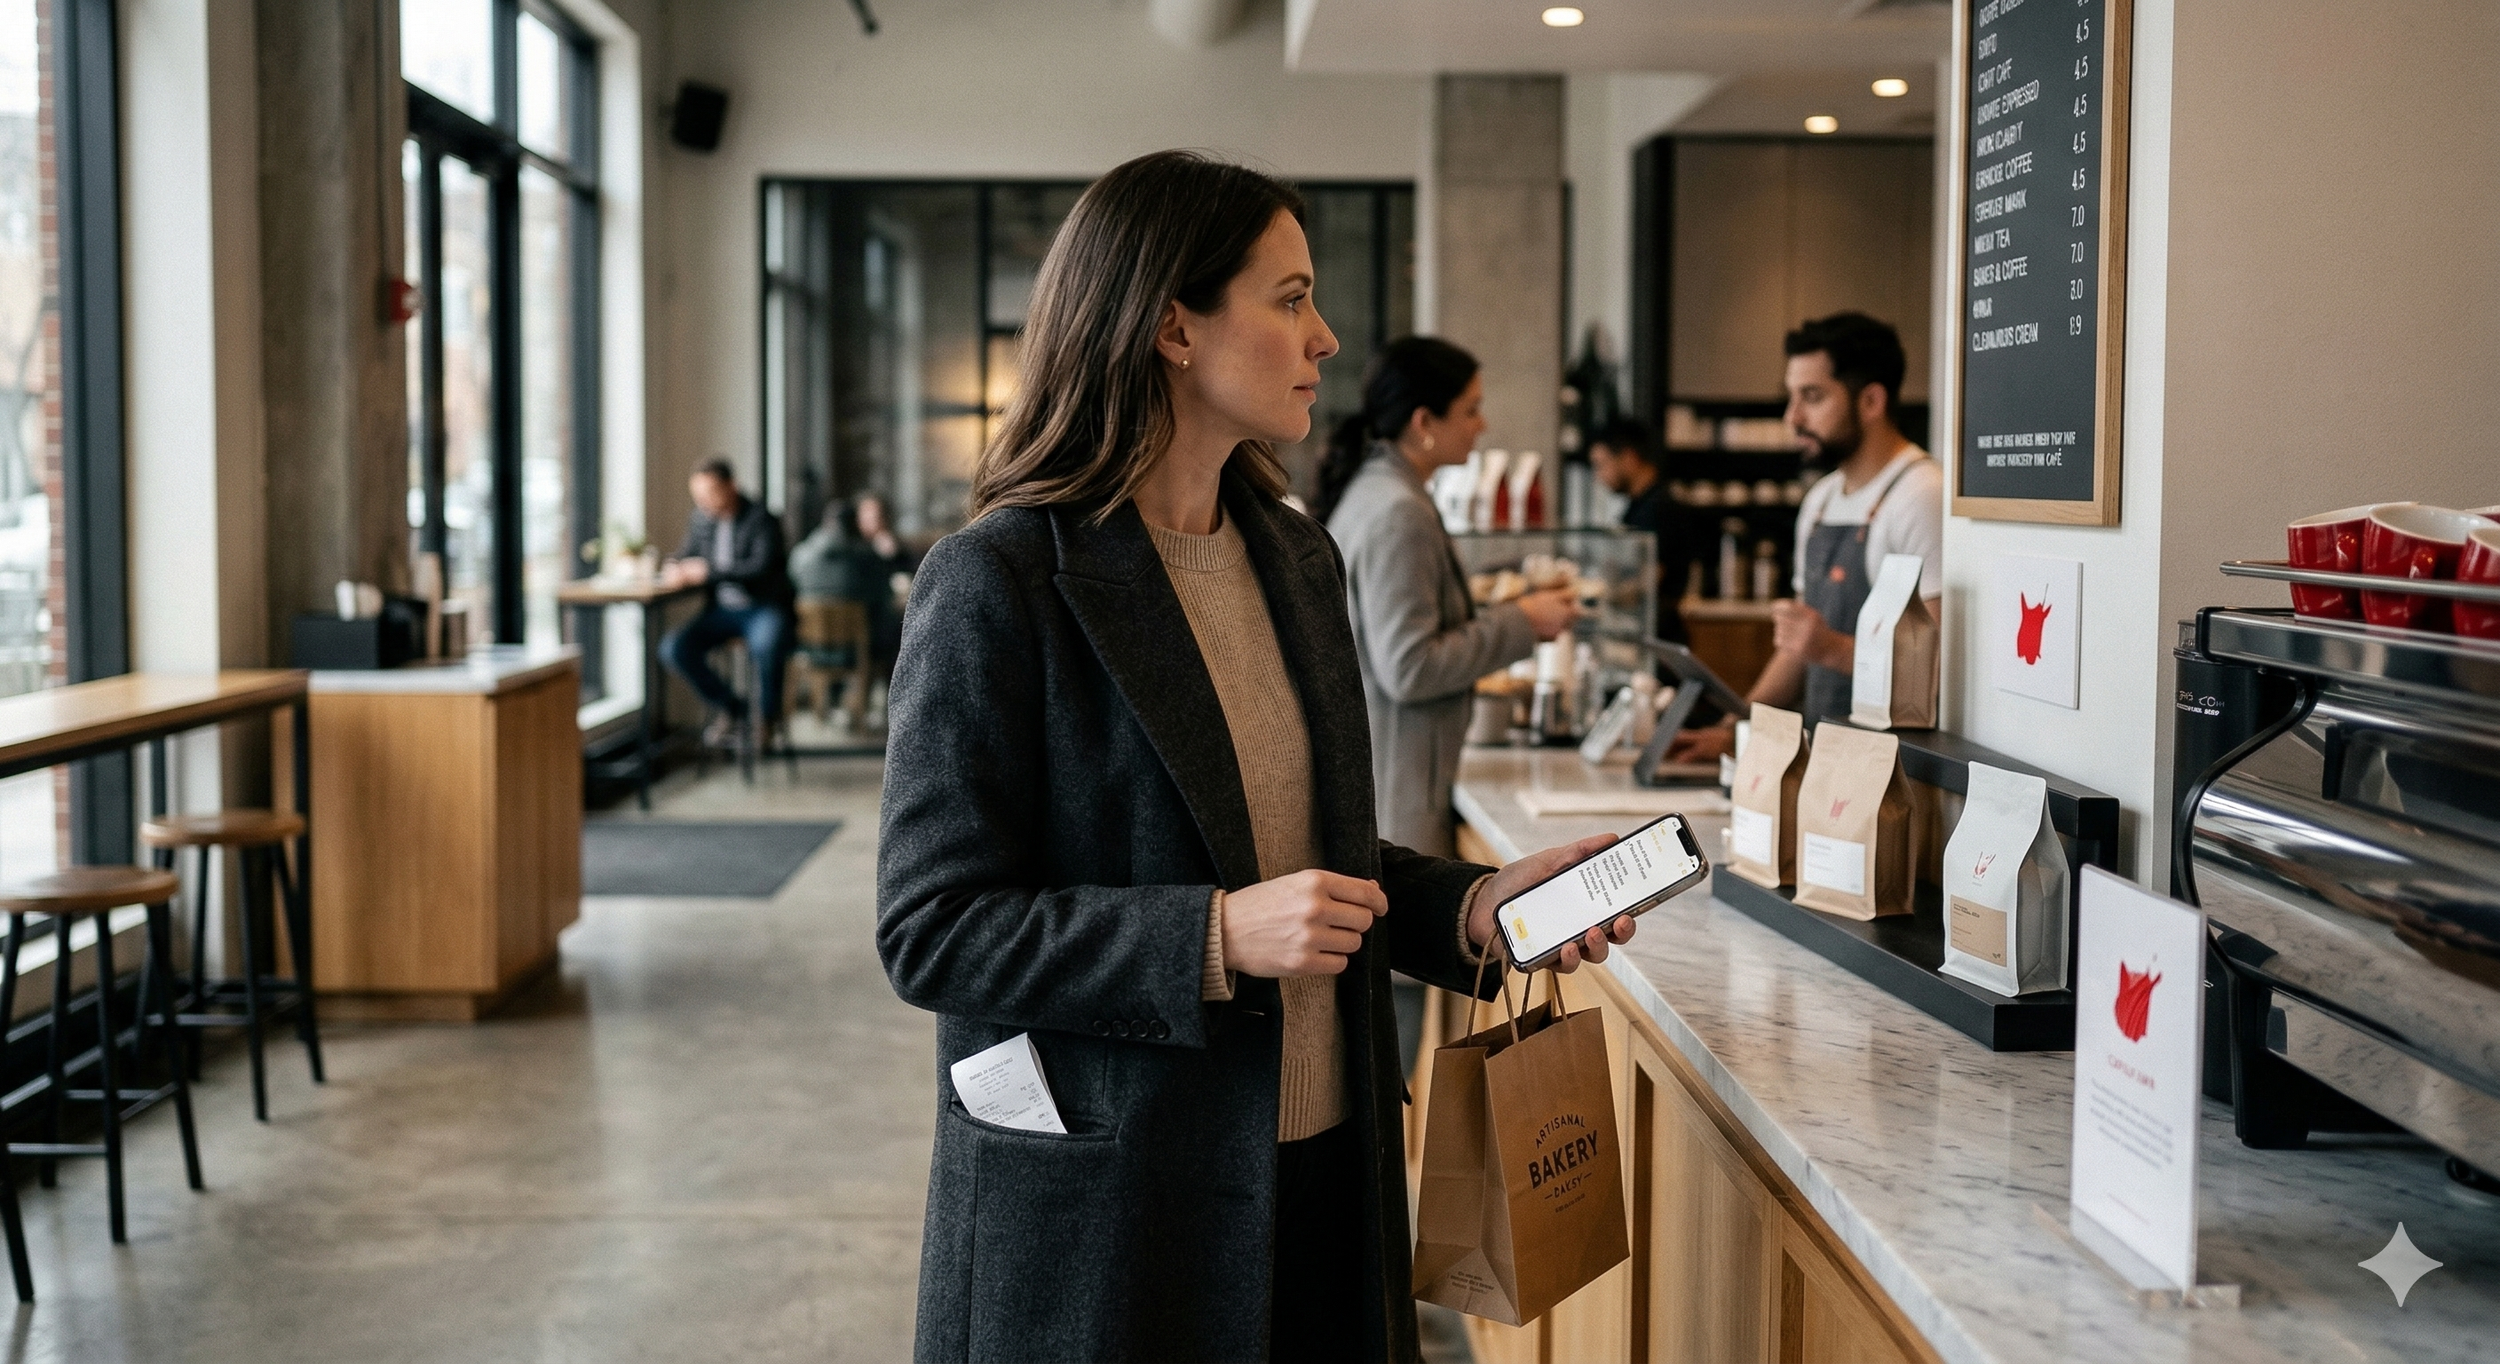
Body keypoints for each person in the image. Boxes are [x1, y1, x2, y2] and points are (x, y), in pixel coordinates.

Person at [875, 150, 1635, 1364]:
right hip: (1117, 1207)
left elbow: (1311, 857)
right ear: (1173, 325)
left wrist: (1476, 907)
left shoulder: (1294, 556)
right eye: (1289, 299)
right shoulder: (997, 580)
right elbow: (932, 925)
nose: (1325, 337)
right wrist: (1213, 938)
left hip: (1327, 1176)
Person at [1315, 337, 1578, 858]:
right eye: (1471, 410)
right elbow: (1409, 666)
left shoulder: (1384, 491)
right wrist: (1521, 621)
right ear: (1423, 423)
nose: (1482, 425)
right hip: (1398, 785)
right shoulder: (1399, 511)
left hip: (1389, 772)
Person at [1667, 312, 1942, 761]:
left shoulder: (1920, 495)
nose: (1792, 417)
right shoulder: (1821, 501)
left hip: (1894, 774)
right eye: (1791, 396)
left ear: (1871, 401)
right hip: (1825, 763)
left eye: (1811, 397)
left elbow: (1931, 668)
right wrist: (1737, 729)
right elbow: (1799, 652)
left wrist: (1831, 649)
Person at [658, 458, 796, 750]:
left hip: (762, 607)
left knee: (767, 647)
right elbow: (685, 553)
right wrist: (674, 565)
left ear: (732, 486)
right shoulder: (700, 520)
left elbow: (760, 567)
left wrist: (709, 571)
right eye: (698, 497)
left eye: (710, 493)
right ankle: (735, 708)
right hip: (721, 611)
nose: (704, 502)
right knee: (674, 648)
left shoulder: (762, 519)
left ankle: (767, 719)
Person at [1586, 416, 1689, 645]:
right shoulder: (1638, 507)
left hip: (1660, 638)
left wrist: (1593, 596)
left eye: (1601, 464)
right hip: (1642, 632)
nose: (1598, 476)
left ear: (1630, 458)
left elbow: (1649, 579)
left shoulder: (1660, 507)